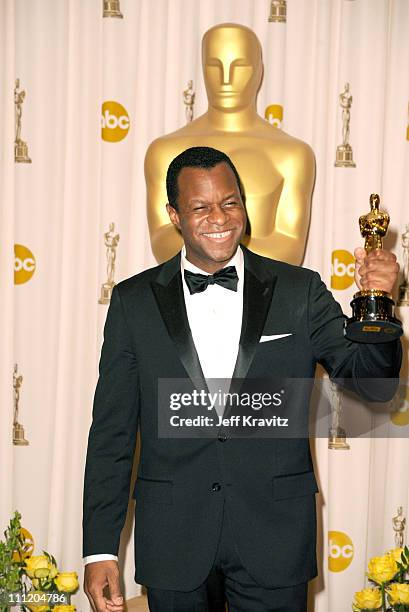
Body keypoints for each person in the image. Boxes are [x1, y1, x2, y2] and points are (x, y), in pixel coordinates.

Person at [83, 147, 402, 612]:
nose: (220, 218)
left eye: (230, 202)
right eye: (201, 207)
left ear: (245, 204)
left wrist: (379, 304)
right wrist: (100, 548)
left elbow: (372, 386)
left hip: (275, 535)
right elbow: (111, 432)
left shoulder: (300, 290)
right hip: (174, 538)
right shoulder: (133, 303)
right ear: (173, 214)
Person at [145, 23, 315, 266]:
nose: (226, 79)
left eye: (240, 66)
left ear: (259, 70)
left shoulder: (293, 154)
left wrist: (218, 248)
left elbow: (290, 246)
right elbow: (162, 240)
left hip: (268, 298)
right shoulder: (164, 150)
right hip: (181, 297)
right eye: (215, 66)